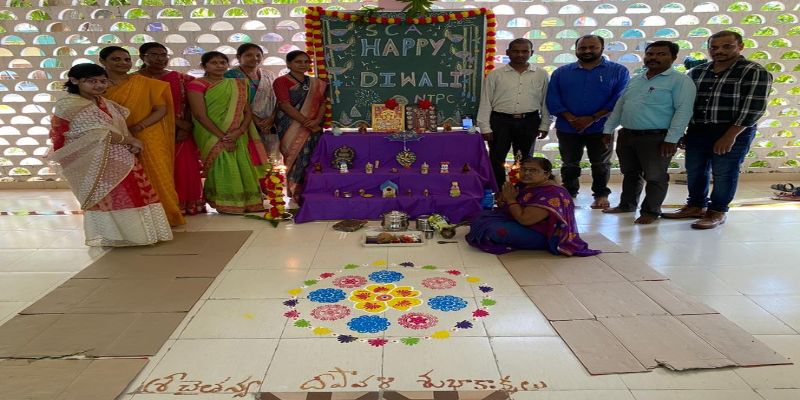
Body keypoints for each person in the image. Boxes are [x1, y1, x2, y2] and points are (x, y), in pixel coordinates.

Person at [49, 63, 173, 246]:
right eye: (92, 81)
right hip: (94, 159)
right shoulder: (70, 105)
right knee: (109, 196)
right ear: (74, 81)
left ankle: (141, 235)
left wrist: (130, 142)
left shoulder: (103, 102)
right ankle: (117, 236)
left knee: (133, 193)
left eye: (102, 81)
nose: (99, 85)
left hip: (121, 156)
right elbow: (95, 133)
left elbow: (118, 125)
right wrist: (130, 140)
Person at [662, 31, 773, 229]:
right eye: (714, 47)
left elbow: (754, 108)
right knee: (695, 170)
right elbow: (686, 105)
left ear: (740, 47)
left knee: (724, 172)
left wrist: (730, 136)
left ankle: (717, 211)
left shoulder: (754, 71)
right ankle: (695, 206)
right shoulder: (697, 72)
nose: (719, 51)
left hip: (732, 130)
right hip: (698, 129)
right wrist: (682, 132)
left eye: (727, 46)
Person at [602, 41, 696, 224]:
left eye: (661, 54)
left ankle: (651, 212)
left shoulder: (680, 81)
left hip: (657, 137)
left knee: (655, 176)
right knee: (630, 173)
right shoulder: (637, 79)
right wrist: (608, 129)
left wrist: (672, 139)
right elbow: (620, 106)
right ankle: (627, 205)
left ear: (673, 58)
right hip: (627, 135)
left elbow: (683, 111)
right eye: (650, 54)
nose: (654, 58)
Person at [99, 46, 185, 227]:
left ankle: (166, 216)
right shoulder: (99, 85)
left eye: (126, 59)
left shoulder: (143, 82)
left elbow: (161, 109)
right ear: (102, 61)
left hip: (148, 133)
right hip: (113, 136)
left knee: (157, 173)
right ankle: (133, 221)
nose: (123, 63)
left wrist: (139, 126)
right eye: (116, 59)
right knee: (123, 176)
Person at [546, 35, 630, 209]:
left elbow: (619, 99)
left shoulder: (619, 71)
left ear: (602, 48)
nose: (587, 51)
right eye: (582, 48)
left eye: (593, 47)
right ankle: (569, 193)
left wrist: (592, 118)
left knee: (600, 164)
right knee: (569, 163)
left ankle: (601, 194)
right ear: (576, 49)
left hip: (602, 127)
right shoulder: (561, 72)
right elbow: (553, 98)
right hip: (568, 127)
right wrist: (571, 118)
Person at [466, 157, 600, 256]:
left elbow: (525, 219)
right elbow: (516, 207)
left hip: (545, 235)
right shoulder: (528, 185)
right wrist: (505, 201)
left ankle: (536, 244)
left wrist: (511, 200)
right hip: (525, 225)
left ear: (546, 174)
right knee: (479, 215)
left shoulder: (552, 194)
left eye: (533, 170)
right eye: (524, 169)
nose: (527, 173)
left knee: (495, 230)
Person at [187, 51, 268, 214]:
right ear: (204, 66)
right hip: (211, 133)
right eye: (214, 63)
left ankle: (248, 202)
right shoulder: (196, 84)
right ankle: (226, 203)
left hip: (237, 134)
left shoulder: (238, 84)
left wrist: (240, 131)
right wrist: (224, 137)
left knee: (241, 163)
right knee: (221, 164)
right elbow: (199, 115)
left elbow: (247, 111)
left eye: (223, 63)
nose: (219, 66)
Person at [137, 42, 205, 216]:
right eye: (154, 55)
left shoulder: (183, 79)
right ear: (142, 57)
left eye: (163, 55)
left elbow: (191, 104)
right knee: (153, 170)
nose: (160, 59)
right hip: (146, 131)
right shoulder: (133, 80)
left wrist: (185, 127)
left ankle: (184, 205)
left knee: (183, 169)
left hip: (180, 133)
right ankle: (158, 207)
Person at [477, 38, 551, 189]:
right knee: (496, 158)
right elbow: (486, 101)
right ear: (508, 52)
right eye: (516, 51)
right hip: (500, 121)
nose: (520, 54)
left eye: (525, 51)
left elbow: (546, 101)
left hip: (529, 121)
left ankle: (523, 191)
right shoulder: (496, 75)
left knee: (525, 160)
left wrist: (544, 124)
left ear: (531, 53)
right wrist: (485, 127)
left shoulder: (541, 74)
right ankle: (499, 191)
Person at [272, 50, 327, 201]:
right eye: (298, 61)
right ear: (289, 64)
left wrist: (316, 121)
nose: (303, 64)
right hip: (290, 125)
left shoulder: (316, 82)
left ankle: (312, 190)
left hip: (313, 126)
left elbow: (322, 103)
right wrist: (306, 122)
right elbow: (284, 105)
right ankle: (296, 191)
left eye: (306, 62)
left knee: (312, 156)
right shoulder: (281, 81)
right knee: (294, 156)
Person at [224, 44, 277, 146]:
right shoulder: (230, 76)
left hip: (269, 122)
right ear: (239, 57)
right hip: (241, 122)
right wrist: (254, 119)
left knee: (268, 154)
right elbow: (230, 101)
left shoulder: (269, 75)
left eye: (258, 55)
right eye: (249, 55)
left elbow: (276, 99)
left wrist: (272, 118)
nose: (255, 58)